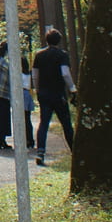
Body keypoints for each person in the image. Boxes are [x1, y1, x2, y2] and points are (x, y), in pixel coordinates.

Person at [31, 27, 76, 165]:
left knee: (43, 123)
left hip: (44, 94)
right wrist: (73, 89)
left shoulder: (39, 55)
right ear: (59, 41)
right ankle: (75, 152)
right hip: (58, 94)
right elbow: (65, 73)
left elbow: (35, 75)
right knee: (66, 124)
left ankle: (40, 152)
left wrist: (38, 90)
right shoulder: (62, 55)